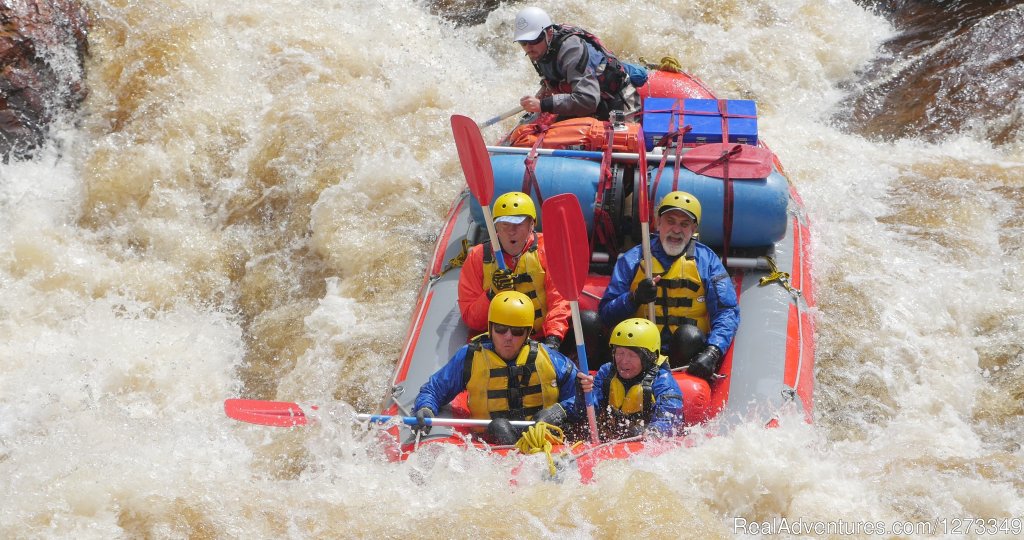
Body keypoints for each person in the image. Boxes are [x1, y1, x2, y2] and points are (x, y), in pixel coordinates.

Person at [598, 191, 740, 382]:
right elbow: (606, 314)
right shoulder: (634, 259)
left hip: (684, 352)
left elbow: (727, 312)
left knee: (689, 336)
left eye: (684, 224)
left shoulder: (707, 261)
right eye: (670, 221)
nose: (676, 230)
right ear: (658, 223)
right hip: (637, 350)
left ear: (694, 228)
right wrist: (634, 298)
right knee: (590, 321)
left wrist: (713, 351)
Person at [414, 291, 582, 444]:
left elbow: (584, 397)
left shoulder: (550, 359)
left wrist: (559, 411)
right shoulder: (470, 357)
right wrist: (426, 408)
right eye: (501, 329)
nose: (508, 337)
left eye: (517, 331)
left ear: (527, 334)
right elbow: (434, 390)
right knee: (499, 426)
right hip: (491, 443)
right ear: (490, 328)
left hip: (542, 439)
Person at [458, 191, 570, 349]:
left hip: (541, 338)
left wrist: (553, 339)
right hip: (498, 342)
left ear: (531, 225)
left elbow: (559, 301)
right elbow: (472, 318)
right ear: (495, 226)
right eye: (505, 224)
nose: (511, 231)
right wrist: (492, 294)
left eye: (518, 224)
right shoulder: (478, 257)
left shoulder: (549, 250)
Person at [513, 6, 641, 121]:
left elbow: (588, 100)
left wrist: (543, 105)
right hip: (591, 100)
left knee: (623, 143)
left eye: (534, 39)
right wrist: (545, 90)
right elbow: (556, 74)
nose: (528, 46)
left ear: (549, 33)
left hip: (617, 98)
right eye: (523, 42)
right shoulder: (539, 49)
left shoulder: (572, 51)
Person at [577, 318, 684, 438]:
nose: (624, 361)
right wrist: (583, 393)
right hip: (612, 435)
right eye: (620, 353)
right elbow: (591, 407)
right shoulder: (606, 372)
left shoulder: (662, 380)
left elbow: (670, 413)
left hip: (642, 439)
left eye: (632, 355)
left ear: (648, 357)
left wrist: (655, 431)